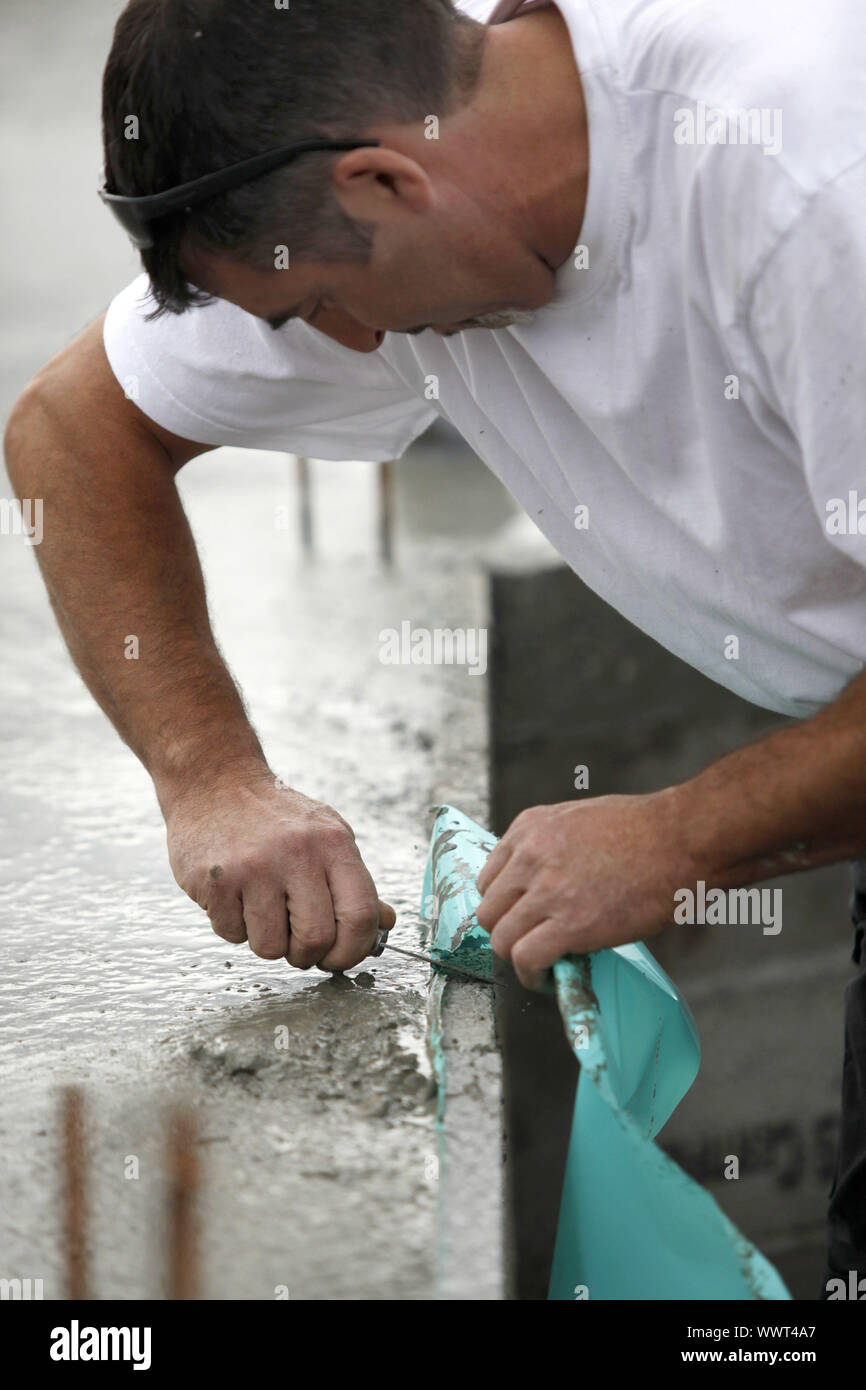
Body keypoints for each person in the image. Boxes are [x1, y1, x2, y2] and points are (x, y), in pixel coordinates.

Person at [4, 0, 865, 1291]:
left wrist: (683, 832)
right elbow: (69, 434)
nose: (341, 352)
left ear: (383, 179)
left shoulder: (806, 184)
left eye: (316, 305)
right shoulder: (419, 190)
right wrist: (211, 777)